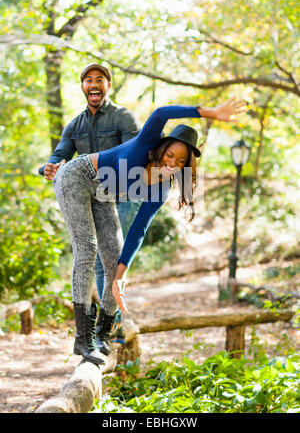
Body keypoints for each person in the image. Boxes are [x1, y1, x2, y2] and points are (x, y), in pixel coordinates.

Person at [51, 97, 246, 365]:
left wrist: (121, 274)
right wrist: (210, 112)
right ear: (162, 148)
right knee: (87, 249)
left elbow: (140, 228)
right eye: (170, 155)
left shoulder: (162, 187)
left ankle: (102, 335)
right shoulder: (144, 145)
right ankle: (82, 340)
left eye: (180, 161)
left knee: (113, 263)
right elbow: (161, 112)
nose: (172, 162)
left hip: (102, 194)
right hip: (76, 177)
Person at [39, 63, 141, 345]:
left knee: (115, 258)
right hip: (98, 196)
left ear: (108, 85)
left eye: (99, 80)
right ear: (83, 87)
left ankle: (115, 324)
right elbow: (58, 155)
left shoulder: (123, 118)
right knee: (98, 260)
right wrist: (47, 168)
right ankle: (110, 326)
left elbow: (136, 152)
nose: (93, 84)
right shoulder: (75, 124)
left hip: (126, 193)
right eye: (88, 80)